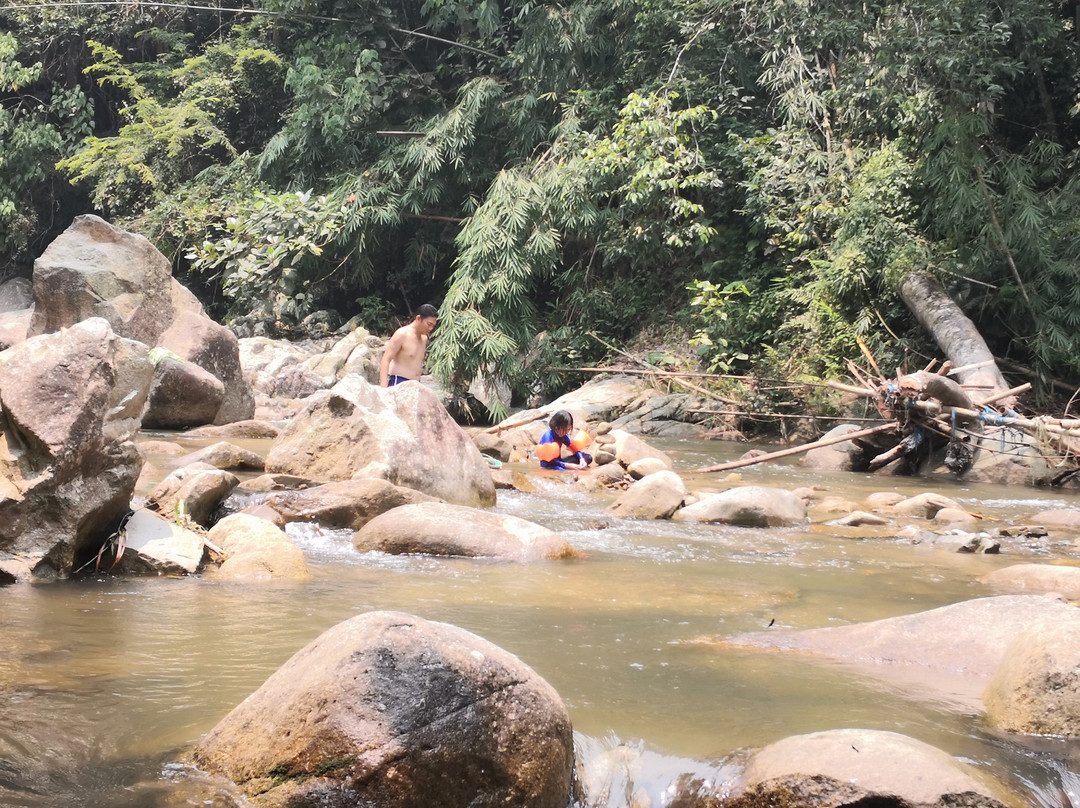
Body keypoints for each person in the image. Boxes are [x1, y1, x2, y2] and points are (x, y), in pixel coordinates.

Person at [379, 304, 438, 387]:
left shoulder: (424, 338)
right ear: (418, 318)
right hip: (399, 382)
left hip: (417, 384)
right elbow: (386, 359)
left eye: (433, 326)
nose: (431, 328)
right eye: (429, 324)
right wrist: (383, 388)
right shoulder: (402, 334)